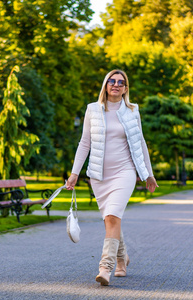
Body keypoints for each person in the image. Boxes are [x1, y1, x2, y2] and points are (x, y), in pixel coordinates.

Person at [65, 69, 158, 286]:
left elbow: (141, 143)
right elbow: (84, 143)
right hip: (99, 175)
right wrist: (74, 173)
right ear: (106, 85)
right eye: (112, 81)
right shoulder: (92, 110)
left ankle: (105, 267)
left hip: (124, 172)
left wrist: (148, 174)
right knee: (110, 219)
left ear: (125, 88)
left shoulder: (133, 111)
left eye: (121, 82)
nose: (116, 84)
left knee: (113, 217)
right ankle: (122, 258)